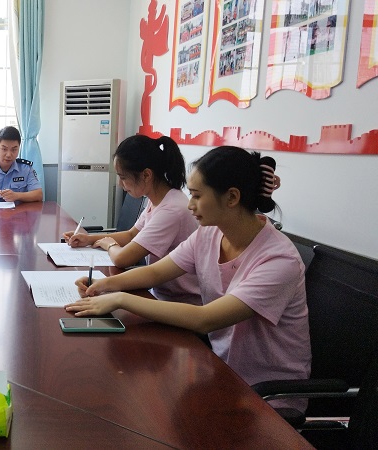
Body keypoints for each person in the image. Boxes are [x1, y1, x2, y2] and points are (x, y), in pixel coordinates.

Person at [66, 146, 309, 411]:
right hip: (219, 370)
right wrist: (103, 285)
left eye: (197, 196)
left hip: (266, 398)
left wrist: (120, 299)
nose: (189, 205)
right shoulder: (209, 234)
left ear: (231, 197)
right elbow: (156, 272)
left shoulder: (279, 260)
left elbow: (205, 319)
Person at [62, 135, 201, 305]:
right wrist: (89, 239)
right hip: (159, 295)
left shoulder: (171, 210)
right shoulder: (158, 199)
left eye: (123, 177)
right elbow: (132, 234)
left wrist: (109, 244)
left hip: (180, 303)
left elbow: (123, 259)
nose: (121, 184)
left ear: (146, 175)